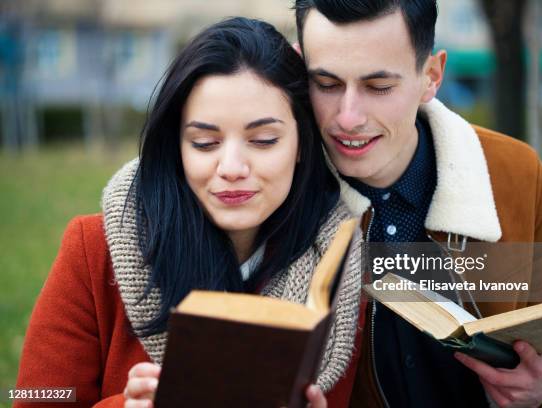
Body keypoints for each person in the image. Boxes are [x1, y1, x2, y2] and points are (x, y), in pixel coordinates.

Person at [14, 17, 365, 408]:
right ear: (176, 146)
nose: (232, 167)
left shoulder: (342, 271)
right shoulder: (94, 250)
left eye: (263, 140)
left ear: (301, 144)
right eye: (204, 142)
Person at [292, 0, 542, 407]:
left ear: (431, 76)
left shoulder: (517, 174)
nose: (347, 117)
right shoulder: (274, 190)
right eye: (326, 83)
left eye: (379, 86)